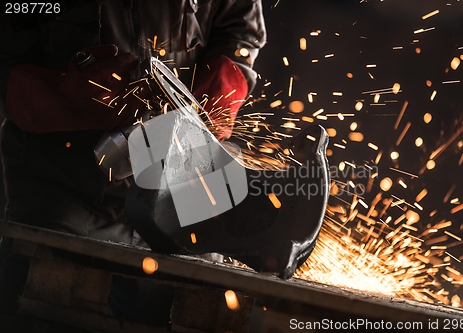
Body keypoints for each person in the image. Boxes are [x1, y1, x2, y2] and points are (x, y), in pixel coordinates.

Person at [0, 0, 266, 323]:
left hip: (183, 197)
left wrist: (216, 95)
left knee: (205, 308)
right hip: (66, 197)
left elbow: (240, 30)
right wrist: (62, 96)